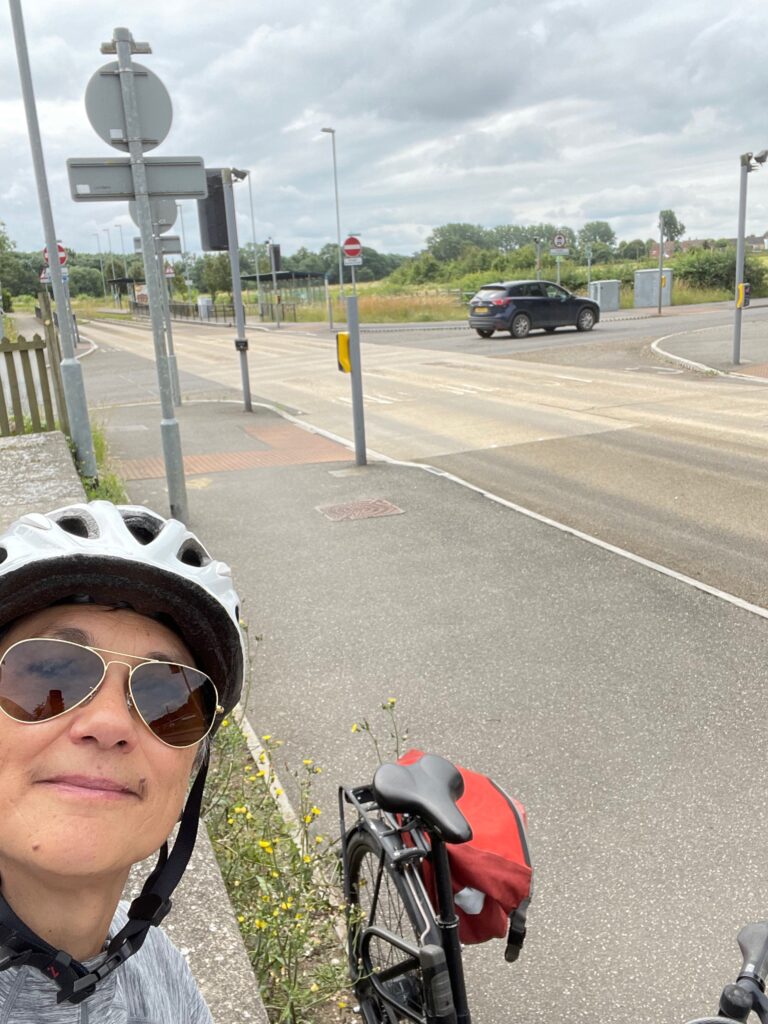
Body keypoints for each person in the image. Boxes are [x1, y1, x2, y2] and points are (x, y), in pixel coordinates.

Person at [0, 500, 246, 1020]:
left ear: (190, 771)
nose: (110, 724)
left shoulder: (159, 973)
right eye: (48, 674)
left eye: (168, 697)